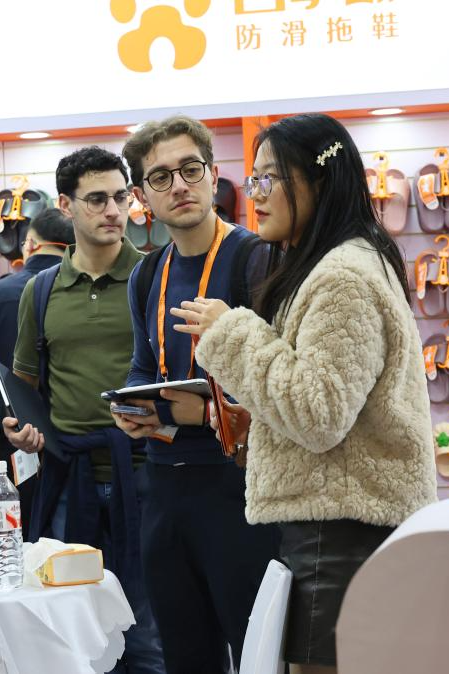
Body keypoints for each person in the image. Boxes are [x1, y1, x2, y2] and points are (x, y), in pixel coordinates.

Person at [176, 113, 437, 673]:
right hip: (339, 531)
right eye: (254, 179)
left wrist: (232, 332)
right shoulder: (339, 264)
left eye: (270, 178)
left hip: (341, 539)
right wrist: (254, 421)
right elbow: (329, 403)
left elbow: (319, 413)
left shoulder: (342, 277)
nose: (256, 195)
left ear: (319, 182)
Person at [112, 115, 281, 674]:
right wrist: (139, 413)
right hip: (164, 485)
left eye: (190, 169)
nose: (179, 186)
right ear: (142, 197)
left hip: (241, 487)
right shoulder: (146, 275)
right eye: (160, 177)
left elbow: (285, 383)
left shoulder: (257, 258)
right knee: (184, 657)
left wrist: (206, 410)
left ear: (213, 174)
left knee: (259, 653)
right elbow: (144, 369)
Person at [4, 147, 165, 674]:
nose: (114, 211)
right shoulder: (41, 290)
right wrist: (22, 430)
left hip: (146, 476)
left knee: (148, 636)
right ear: (66, 206)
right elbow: (26, 386)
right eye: (97, 199)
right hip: (69, 482)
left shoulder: (155, 278)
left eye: (120, 197)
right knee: (72, 634)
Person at [0, 207, 74, 532]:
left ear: (29, 244)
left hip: (17, 440)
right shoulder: (83, 292)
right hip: (80, 445)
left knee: (19, 542)